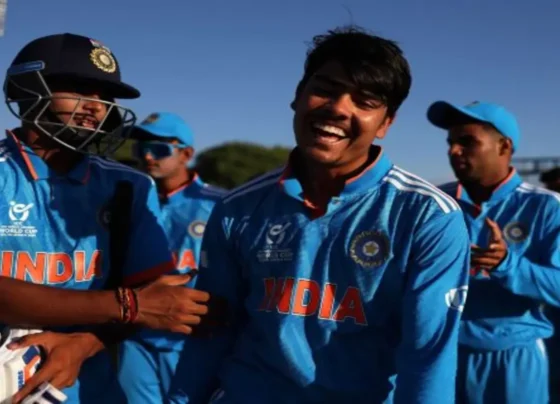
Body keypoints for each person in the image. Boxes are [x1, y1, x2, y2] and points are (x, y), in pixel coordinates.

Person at [168, 25, 470, 404]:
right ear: (298, 96)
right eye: (325, 89)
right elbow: (212, 330)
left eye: (365, 101)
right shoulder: (238, 208)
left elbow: (427, 358)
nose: (338, 108)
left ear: (385, 124)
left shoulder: (427, 215)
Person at [0, 33, 212, 403]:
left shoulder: (128, 185)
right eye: (79, 89)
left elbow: (153, 300)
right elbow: (139, 305)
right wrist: (125, 305)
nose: (95, 105)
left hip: (89, 388)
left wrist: (85, 343)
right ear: (28, 88)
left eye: (104, 96)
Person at [428, 100, 560, 404]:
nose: (454, 151)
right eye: (451, 142)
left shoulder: (546, 206)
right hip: (441, 354)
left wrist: (507, 264)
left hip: (513, 358)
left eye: (467, 141)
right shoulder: (434, 202)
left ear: (504, 146)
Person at [117, 112, 225, 403]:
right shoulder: (126, 202)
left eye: (159, 149)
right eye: (141, 148)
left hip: (193, 339)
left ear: (186, 154)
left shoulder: (220, 204)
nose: (148, 156)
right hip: (137, 334)